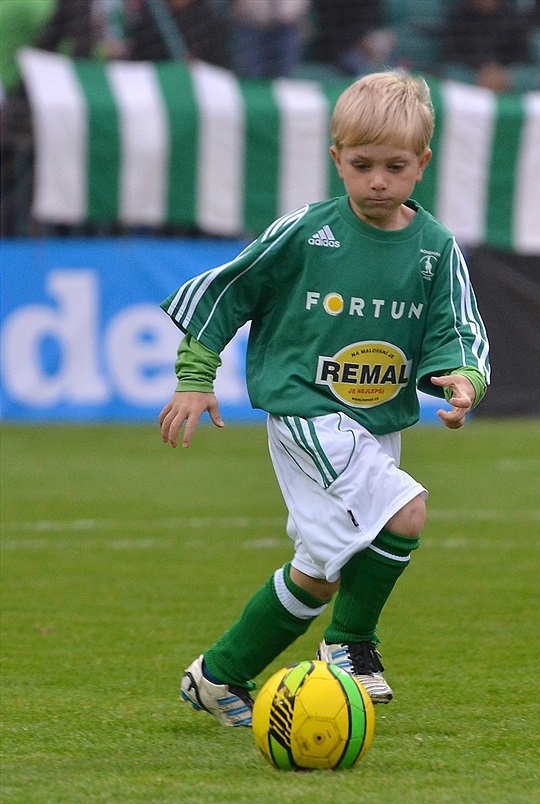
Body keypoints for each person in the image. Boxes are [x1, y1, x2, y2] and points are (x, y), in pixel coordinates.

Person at [158, 71, 490, 728]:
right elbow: (228, 290)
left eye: (394, 166)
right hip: (307, 409)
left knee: (319, 574)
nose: (376, 181)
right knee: (407, 511)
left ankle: (217, 674)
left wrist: (462, 378)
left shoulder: (435, 248)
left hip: (376, 421)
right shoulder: (309, 231)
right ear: (336, 159)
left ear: (421, 165)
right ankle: (349, 646)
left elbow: (456, 328)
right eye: (361, 165)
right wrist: (196, 374)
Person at [233, 0, 310, 78]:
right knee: (252, 72)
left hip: (286, 24)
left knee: (284, 73)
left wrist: (290, 12)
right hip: (252, 22)